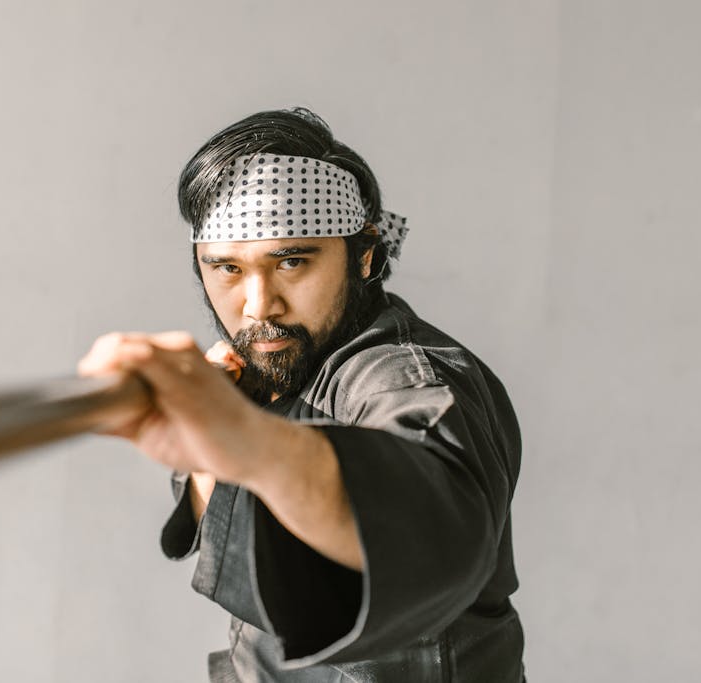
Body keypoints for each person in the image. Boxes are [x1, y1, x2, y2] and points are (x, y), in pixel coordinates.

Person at [78, 108, 525, 682]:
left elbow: (426, 528)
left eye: (292, 261)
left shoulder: (406, 377)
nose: (258, 305)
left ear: (363, 255)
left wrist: (244, 438)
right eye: (227, 269)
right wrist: (217, 435)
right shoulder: (279, 368)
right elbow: (227, 513)